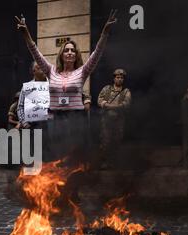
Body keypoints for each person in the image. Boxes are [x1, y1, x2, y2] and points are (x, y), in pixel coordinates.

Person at [15, 10, 117, 164]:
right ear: (62, 54)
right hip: (56, 118)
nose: (70, 53)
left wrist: (105, 33)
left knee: (74, 159)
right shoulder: (51, 71)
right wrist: (26, 33)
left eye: (73, 50)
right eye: (66, 50)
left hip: (76, 118)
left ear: (76, 55)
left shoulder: (83, 71)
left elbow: (97, 53)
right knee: (55, 158)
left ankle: (73, 187)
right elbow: (35, 52)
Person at [97, 69, 132, 169]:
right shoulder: (107, 89)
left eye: (121, 78)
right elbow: (100, 100)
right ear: (114, 78)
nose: (119, 79)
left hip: (119, 120)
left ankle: (115, 162)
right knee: (105, 140)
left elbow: (126, 103)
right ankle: (104, 162)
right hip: (106, 119)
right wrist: (107, 105)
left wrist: (111, 106)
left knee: (117, 140)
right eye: (117, 77)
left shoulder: (126, 91)